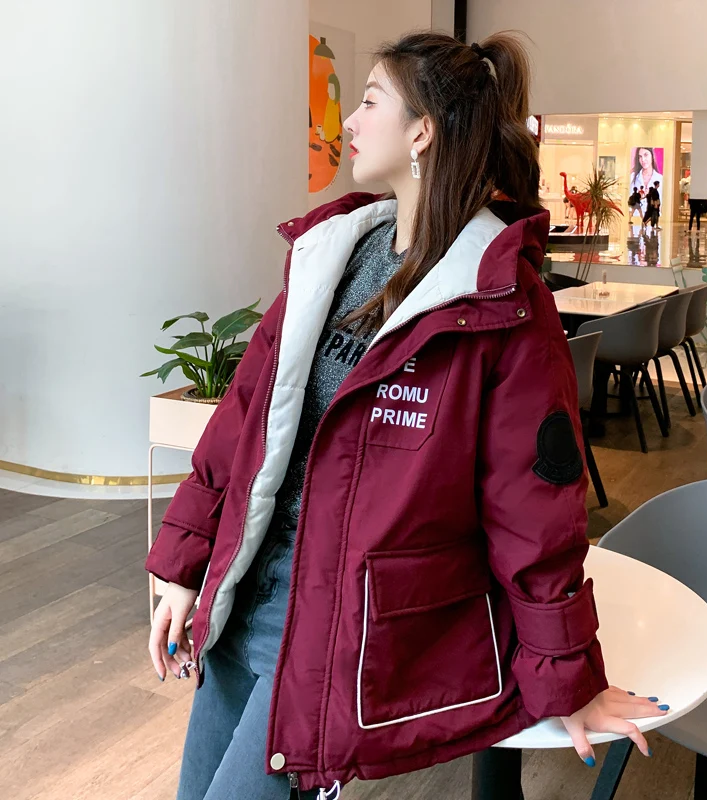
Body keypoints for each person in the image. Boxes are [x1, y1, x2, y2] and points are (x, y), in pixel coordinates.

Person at [146, 31, 666, 800]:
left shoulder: (500, 298)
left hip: (336, 630)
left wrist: (568, 675)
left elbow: (533, 509)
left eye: (369, 102)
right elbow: (245, 420)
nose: (351, 122)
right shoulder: (334, 254)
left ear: (422, 130)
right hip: (244, 591)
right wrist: (184, 567)